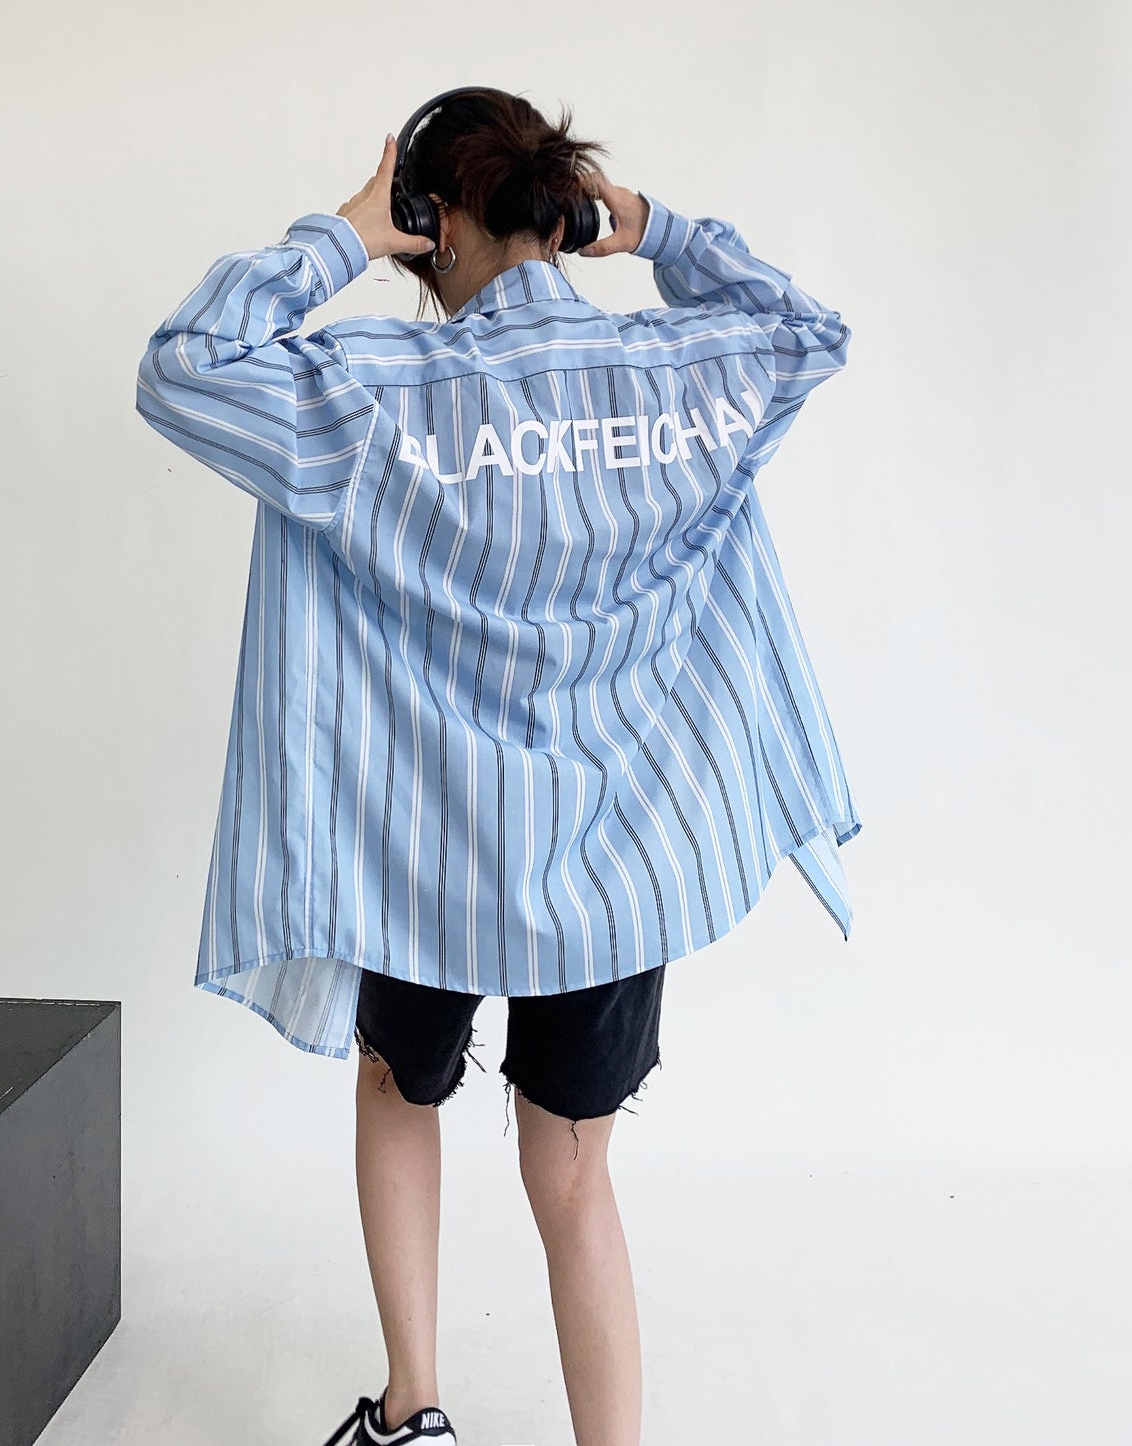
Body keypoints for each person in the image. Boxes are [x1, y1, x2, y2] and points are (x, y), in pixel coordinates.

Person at [135, 86, 858, 1446]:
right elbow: (809, 329)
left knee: (396, 1085)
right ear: (560, 206)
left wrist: (340, 238)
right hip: (617, 862)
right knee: (573, 1169)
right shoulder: (675, 376)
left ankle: (414, 1410)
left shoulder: (371, 394)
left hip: (428, 852)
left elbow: (184, 364)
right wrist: (653, 226)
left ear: (437, 219)